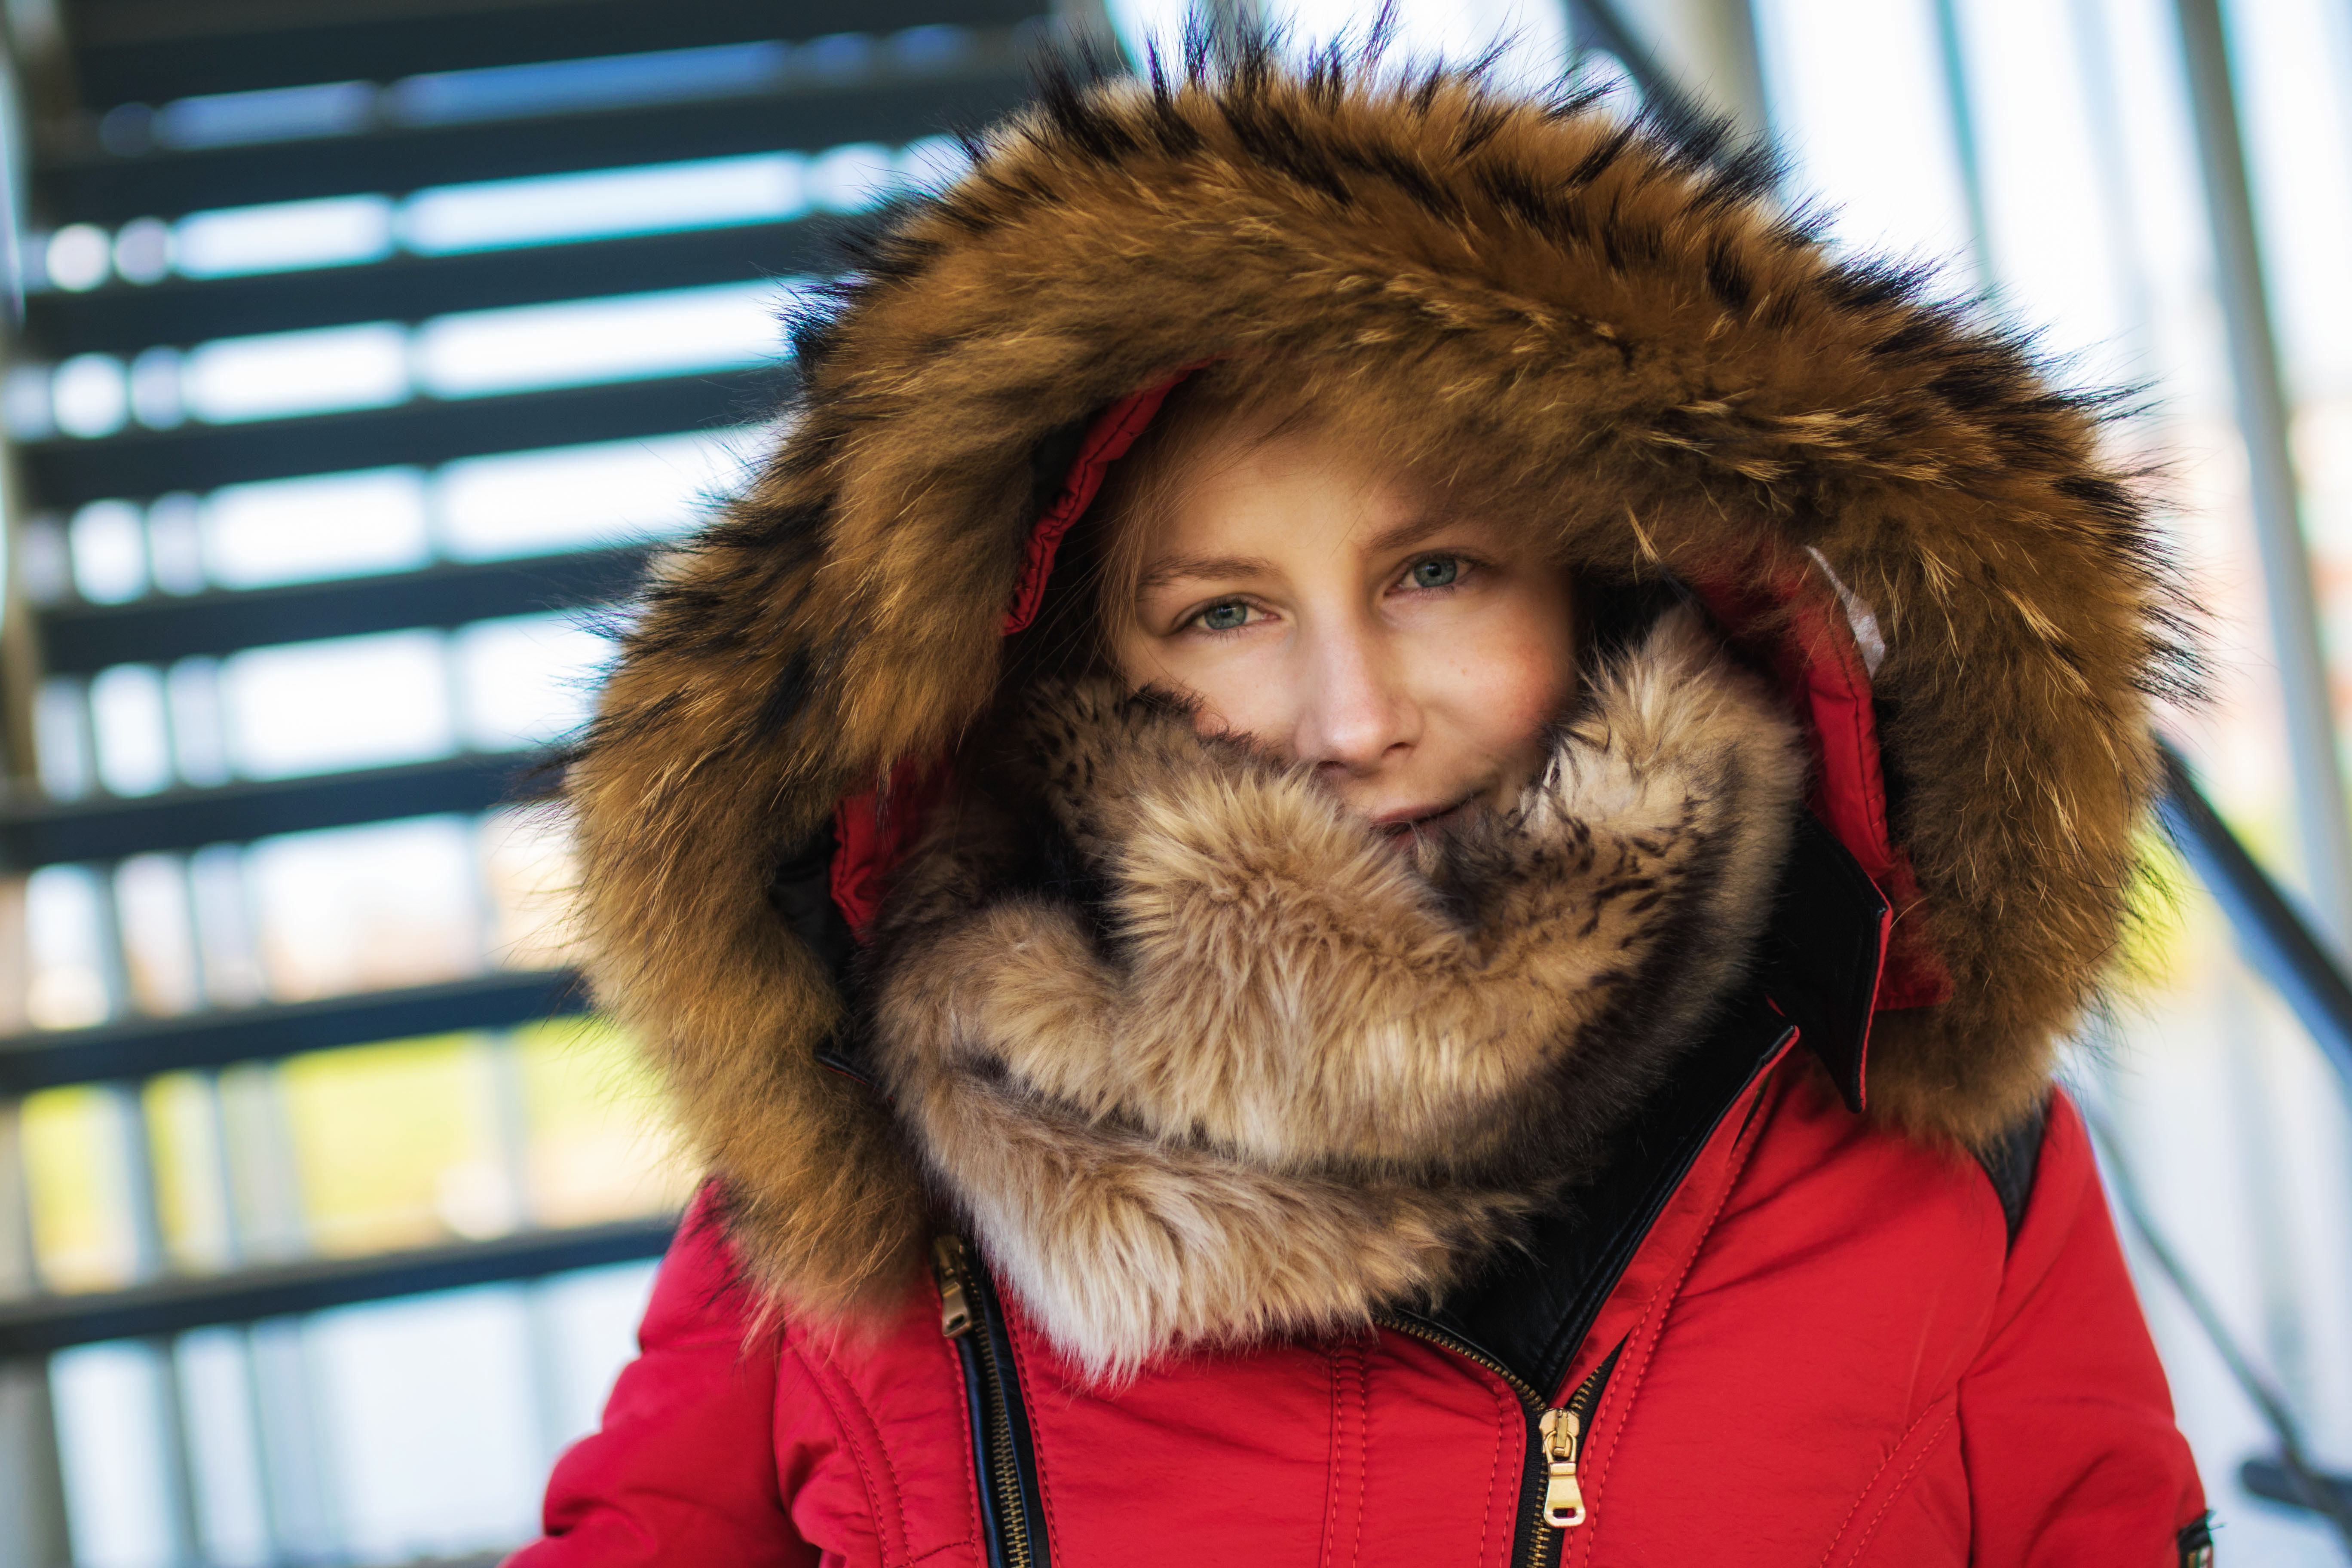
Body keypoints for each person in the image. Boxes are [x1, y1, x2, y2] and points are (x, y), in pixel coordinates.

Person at [515, 40, 2211, 1568]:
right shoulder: (849, 1187)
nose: (1351, 720)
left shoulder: (1936, 1152)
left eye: (1437, 571)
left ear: (1607, 583)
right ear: (1069, 663)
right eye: (1224, 613)